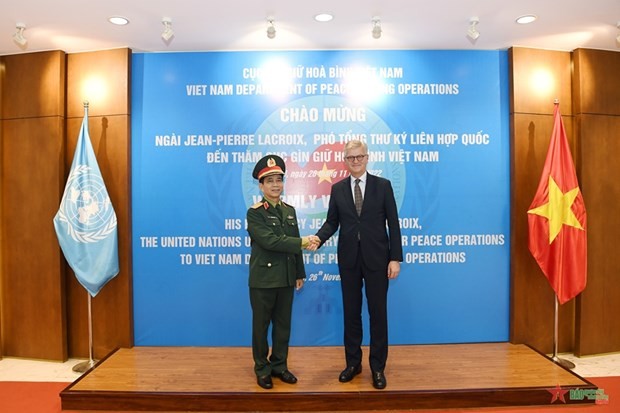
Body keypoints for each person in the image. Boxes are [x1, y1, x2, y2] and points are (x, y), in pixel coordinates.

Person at [312, 140, 403, 389]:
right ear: (345, 160)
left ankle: (377, 367)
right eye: (350, 157)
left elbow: (393, 224)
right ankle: (353, 364)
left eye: (359, 156)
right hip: (349, 261)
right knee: (351, 314)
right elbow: (332, 222)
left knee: (378, 314)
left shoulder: (382, 186)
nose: (355, 161)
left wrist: (395, 258)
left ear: (367, 157)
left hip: (378, 260)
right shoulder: (338, 189)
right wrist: (318, 238)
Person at [247, 154, 318, 390]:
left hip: (286, 277)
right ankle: (262, 368)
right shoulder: (255, 212)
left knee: (283, 326)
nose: (275, 185)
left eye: (279, 179)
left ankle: (279, 365)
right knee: (261, 327)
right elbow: (271, 242)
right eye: (270, 181)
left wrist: (299, 273)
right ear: (260, 185)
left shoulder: (289, 210)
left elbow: (294, 246)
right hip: (263, 280)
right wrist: (302, 242)